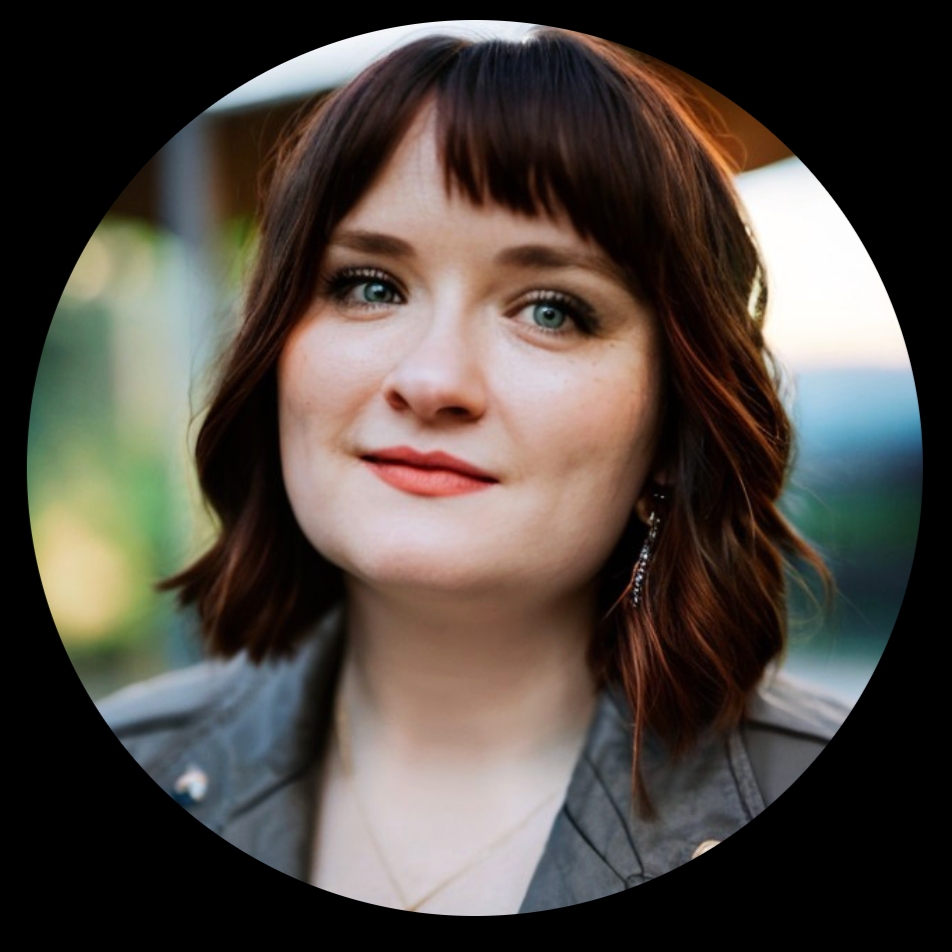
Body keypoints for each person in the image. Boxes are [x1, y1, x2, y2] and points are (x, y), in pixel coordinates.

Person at [99, 28, 851, 914]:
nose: (431, 381)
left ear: (672, 429)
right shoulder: (140, 751)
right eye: (370, 285)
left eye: (551, 309)